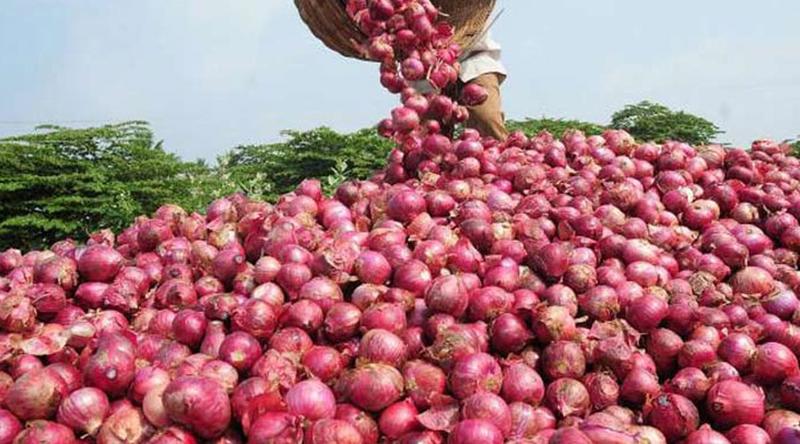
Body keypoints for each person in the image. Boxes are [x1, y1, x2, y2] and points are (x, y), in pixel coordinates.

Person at [457, 30, 509, 141]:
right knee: (430, 132)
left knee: (487, 117)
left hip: (474, 60)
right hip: (428, 71)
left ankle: (505, 151)